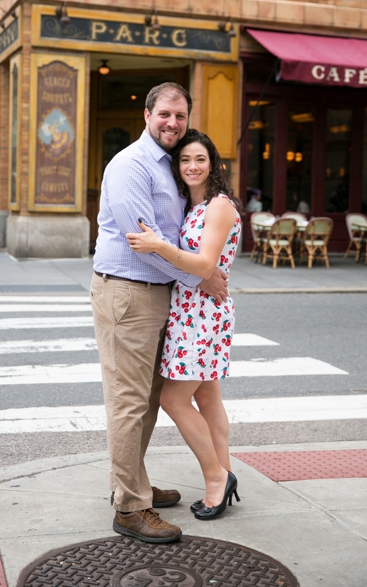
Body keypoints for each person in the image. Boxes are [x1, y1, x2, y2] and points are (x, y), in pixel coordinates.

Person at [91, 82, 228, 544]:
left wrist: (191, 275)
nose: (173, 122)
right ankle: (130, 507)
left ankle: (133, 485)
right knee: (130, 402)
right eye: (165, 114)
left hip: (158, 295)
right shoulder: (131, 165)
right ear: (147, 114)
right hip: (129, 293)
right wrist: (200, 278)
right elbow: (142, 241)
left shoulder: (168, 165)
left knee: (148, 399)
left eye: (180, 116)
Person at [127, 129, 242, 521]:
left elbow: (206, 266)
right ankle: (225, 474)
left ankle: (215, 478)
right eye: (185, 160)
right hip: (190, 309)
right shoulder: (192, 207)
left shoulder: (219, 206)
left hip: (203, 314)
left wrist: (160, 247)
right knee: (208, 399)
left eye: (200, 159)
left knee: (173, 399)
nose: (192, 166)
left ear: (213, 165)